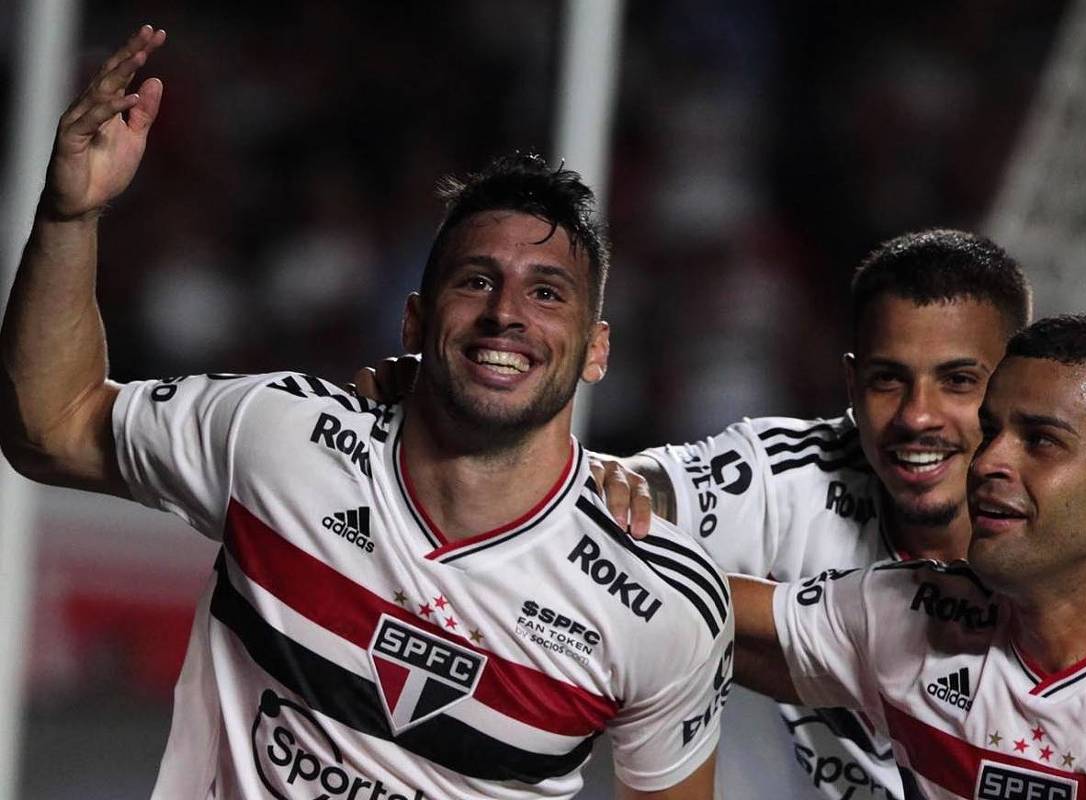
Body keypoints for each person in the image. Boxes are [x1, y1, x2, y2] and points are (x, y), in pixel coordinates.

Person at [0, 27, 732, 799]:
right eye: (476, 282)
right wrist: (67, 218)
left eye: (547, 293)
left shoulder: (661, 601)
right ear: (414, 323)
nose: (506, 313)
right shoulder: (276, 437)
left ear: (596, 350)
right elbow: (51, 429)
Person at [563, 230, 1086, 799]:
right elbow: (581, 505)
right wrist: (599, 482)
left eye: (958, 382)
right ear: (851, 384)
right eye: (888, 380)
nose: (918, 417)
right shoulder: (853, 561)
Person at [732, 312, 1086, 797]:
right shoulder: (907, 610)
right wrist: (644, 493)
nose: (988, 462)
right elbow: (687, 609)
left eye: (1040, 440)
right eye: (990, 430)